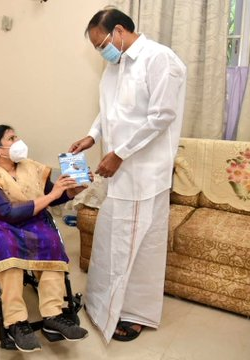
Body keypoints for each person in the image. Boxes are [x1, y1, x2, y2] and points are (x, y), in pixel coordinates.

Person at [69, 9, 187, 343]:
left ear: (119, 30)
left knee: (139, 246)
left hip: (144, 172)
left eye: (101, 43)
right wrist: (93, 135)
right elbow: (108, 109)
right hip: (121, 171)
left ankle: (134, 314)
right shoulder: (115, 65)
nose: (100, 51)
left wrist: (119, 153)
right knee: (115, 240)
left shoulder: (161, 60)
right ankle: (103, 304)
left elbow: (161, 115)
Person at [0, 125, 90, 353]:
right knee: (8, 251)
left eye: (16, 136)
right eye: (11, 138)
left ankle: (54, 315)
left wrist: (73, 189)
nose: (18, 141)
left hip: (30, 218)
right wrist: (52, 195)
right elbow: (7, 212)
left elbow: (53, 198)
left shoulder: (29, 167)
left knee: (50, 242)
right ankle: (15, 323)